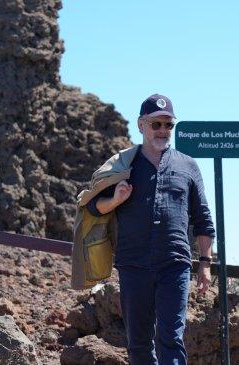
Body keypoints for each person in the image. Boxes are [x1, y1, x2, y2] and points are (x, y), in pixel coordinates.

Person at [85, 94, 215, 365]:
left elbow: (203, 218)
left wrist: (205, 263)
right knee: (139, 343)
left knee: (172, 338)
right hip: (133, 265)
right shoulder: (123, 166)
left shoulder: (188, 166)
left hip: (175, 264)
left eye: (169, 125)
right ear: (141, 125)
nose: (163, 131)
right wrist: (116, 199)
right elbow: (94, 207)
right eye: (156, 124)